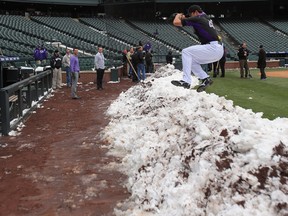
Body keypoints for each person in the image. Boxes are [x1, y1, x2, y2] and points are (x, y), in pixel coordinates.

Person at [171, 5, 223, 92]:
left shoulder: (197, 18)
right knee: (191, 60)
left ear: (195, 12)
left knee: (186, 52)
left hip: (213, 48)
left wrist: (178, 15)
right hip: (217, 49)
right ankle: (205, 79)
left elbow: (176, 22)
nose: (190, 16)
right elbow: (194, 19)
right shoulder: (205, 16)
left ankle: (186, 81)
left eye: (191, 14)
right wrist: (185, 17)